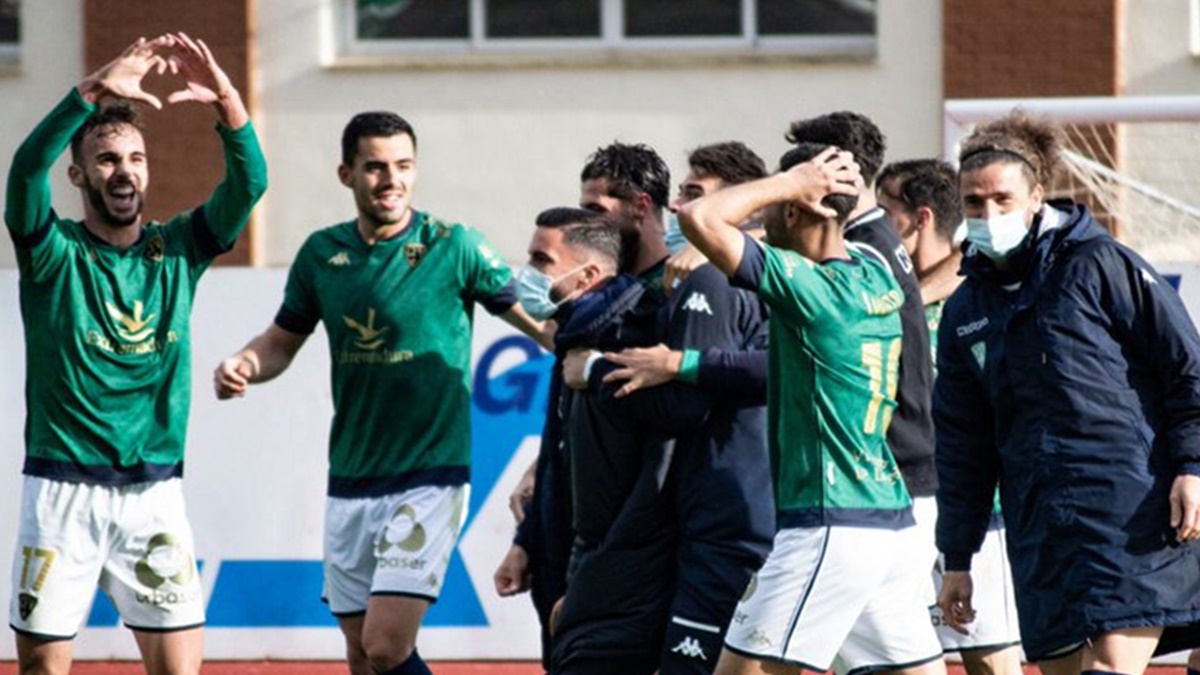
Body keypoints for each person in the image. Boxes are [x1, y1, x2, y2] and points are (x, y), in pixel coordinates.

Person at [212, 111, 544, 675]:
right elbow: (279, 343)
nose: (391, 180)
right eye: (375, 168)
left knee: (388, 645)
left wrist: (597, 343)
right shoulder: (322, 255)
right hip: (350, 478)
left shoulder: (453, 245)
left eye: (403, 166)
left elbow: (544, 326)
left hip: (429, 475)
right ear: (347, 175)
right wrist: (245, 361)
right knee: (363, 654)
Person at [4, 33, 265, 675]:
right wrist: (92, 90)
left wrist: (227, 100)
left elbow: (250, 182)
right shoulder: (51, 254)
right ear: (80, 174)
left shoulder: (180, 250)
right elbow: (24, 168)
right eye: (107, 160)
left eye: (135, 159)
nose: (124, 172)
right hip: (60, 490)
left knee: (178, 670)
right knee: (41, 669)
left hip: (153, 495)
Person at [934, 112, 1200, 675]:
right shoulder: (963, 312)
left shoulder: (1100, 264)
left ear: (1036, 196)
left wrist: (1192, 467)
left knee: (1107, 669)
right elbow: (964, 448)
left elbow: (1186, 369)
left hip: (1129, 509)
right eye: (974, 203)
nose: (988, 214)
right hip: (1037, 526)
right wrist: (958, 557)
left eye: (1002, 200)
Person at [678, 143, 945, 675]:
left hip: (829, 520)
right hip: (888, 521)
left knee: (742, 672)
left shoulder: (808, 289)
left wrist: (791, 180)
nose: (762, 215)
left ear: (801, 206)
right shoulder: (877, 274)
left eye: (778, 202)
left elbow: (698, 217)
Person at [575, 140, 775, 674]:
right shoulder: (725, 274)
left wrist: (600, 370)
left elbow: (685, 408)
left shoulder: (709, 276)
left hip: (729, 522)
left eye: (696, 195)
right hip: (724, 519)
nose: (682, 209)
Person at [506, 141, 674, 671]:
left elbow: (657, 446)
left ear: (640, 207)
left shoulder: (664, 303)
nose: (584, 217)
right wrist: (528, 536)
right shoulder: (577, 321)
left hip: (621, 561)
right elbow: (568, 435)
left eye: (596, 209)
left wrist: (596, 579)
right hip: (572, 545)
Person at [877, 159, 1022, 675]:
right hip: (907, 503)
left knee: (989, 654)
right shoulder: (888, 296)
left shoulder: (979, 291)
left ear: (920, 218)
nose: (876, 221)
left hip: (977, 509)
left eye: (885, 210)